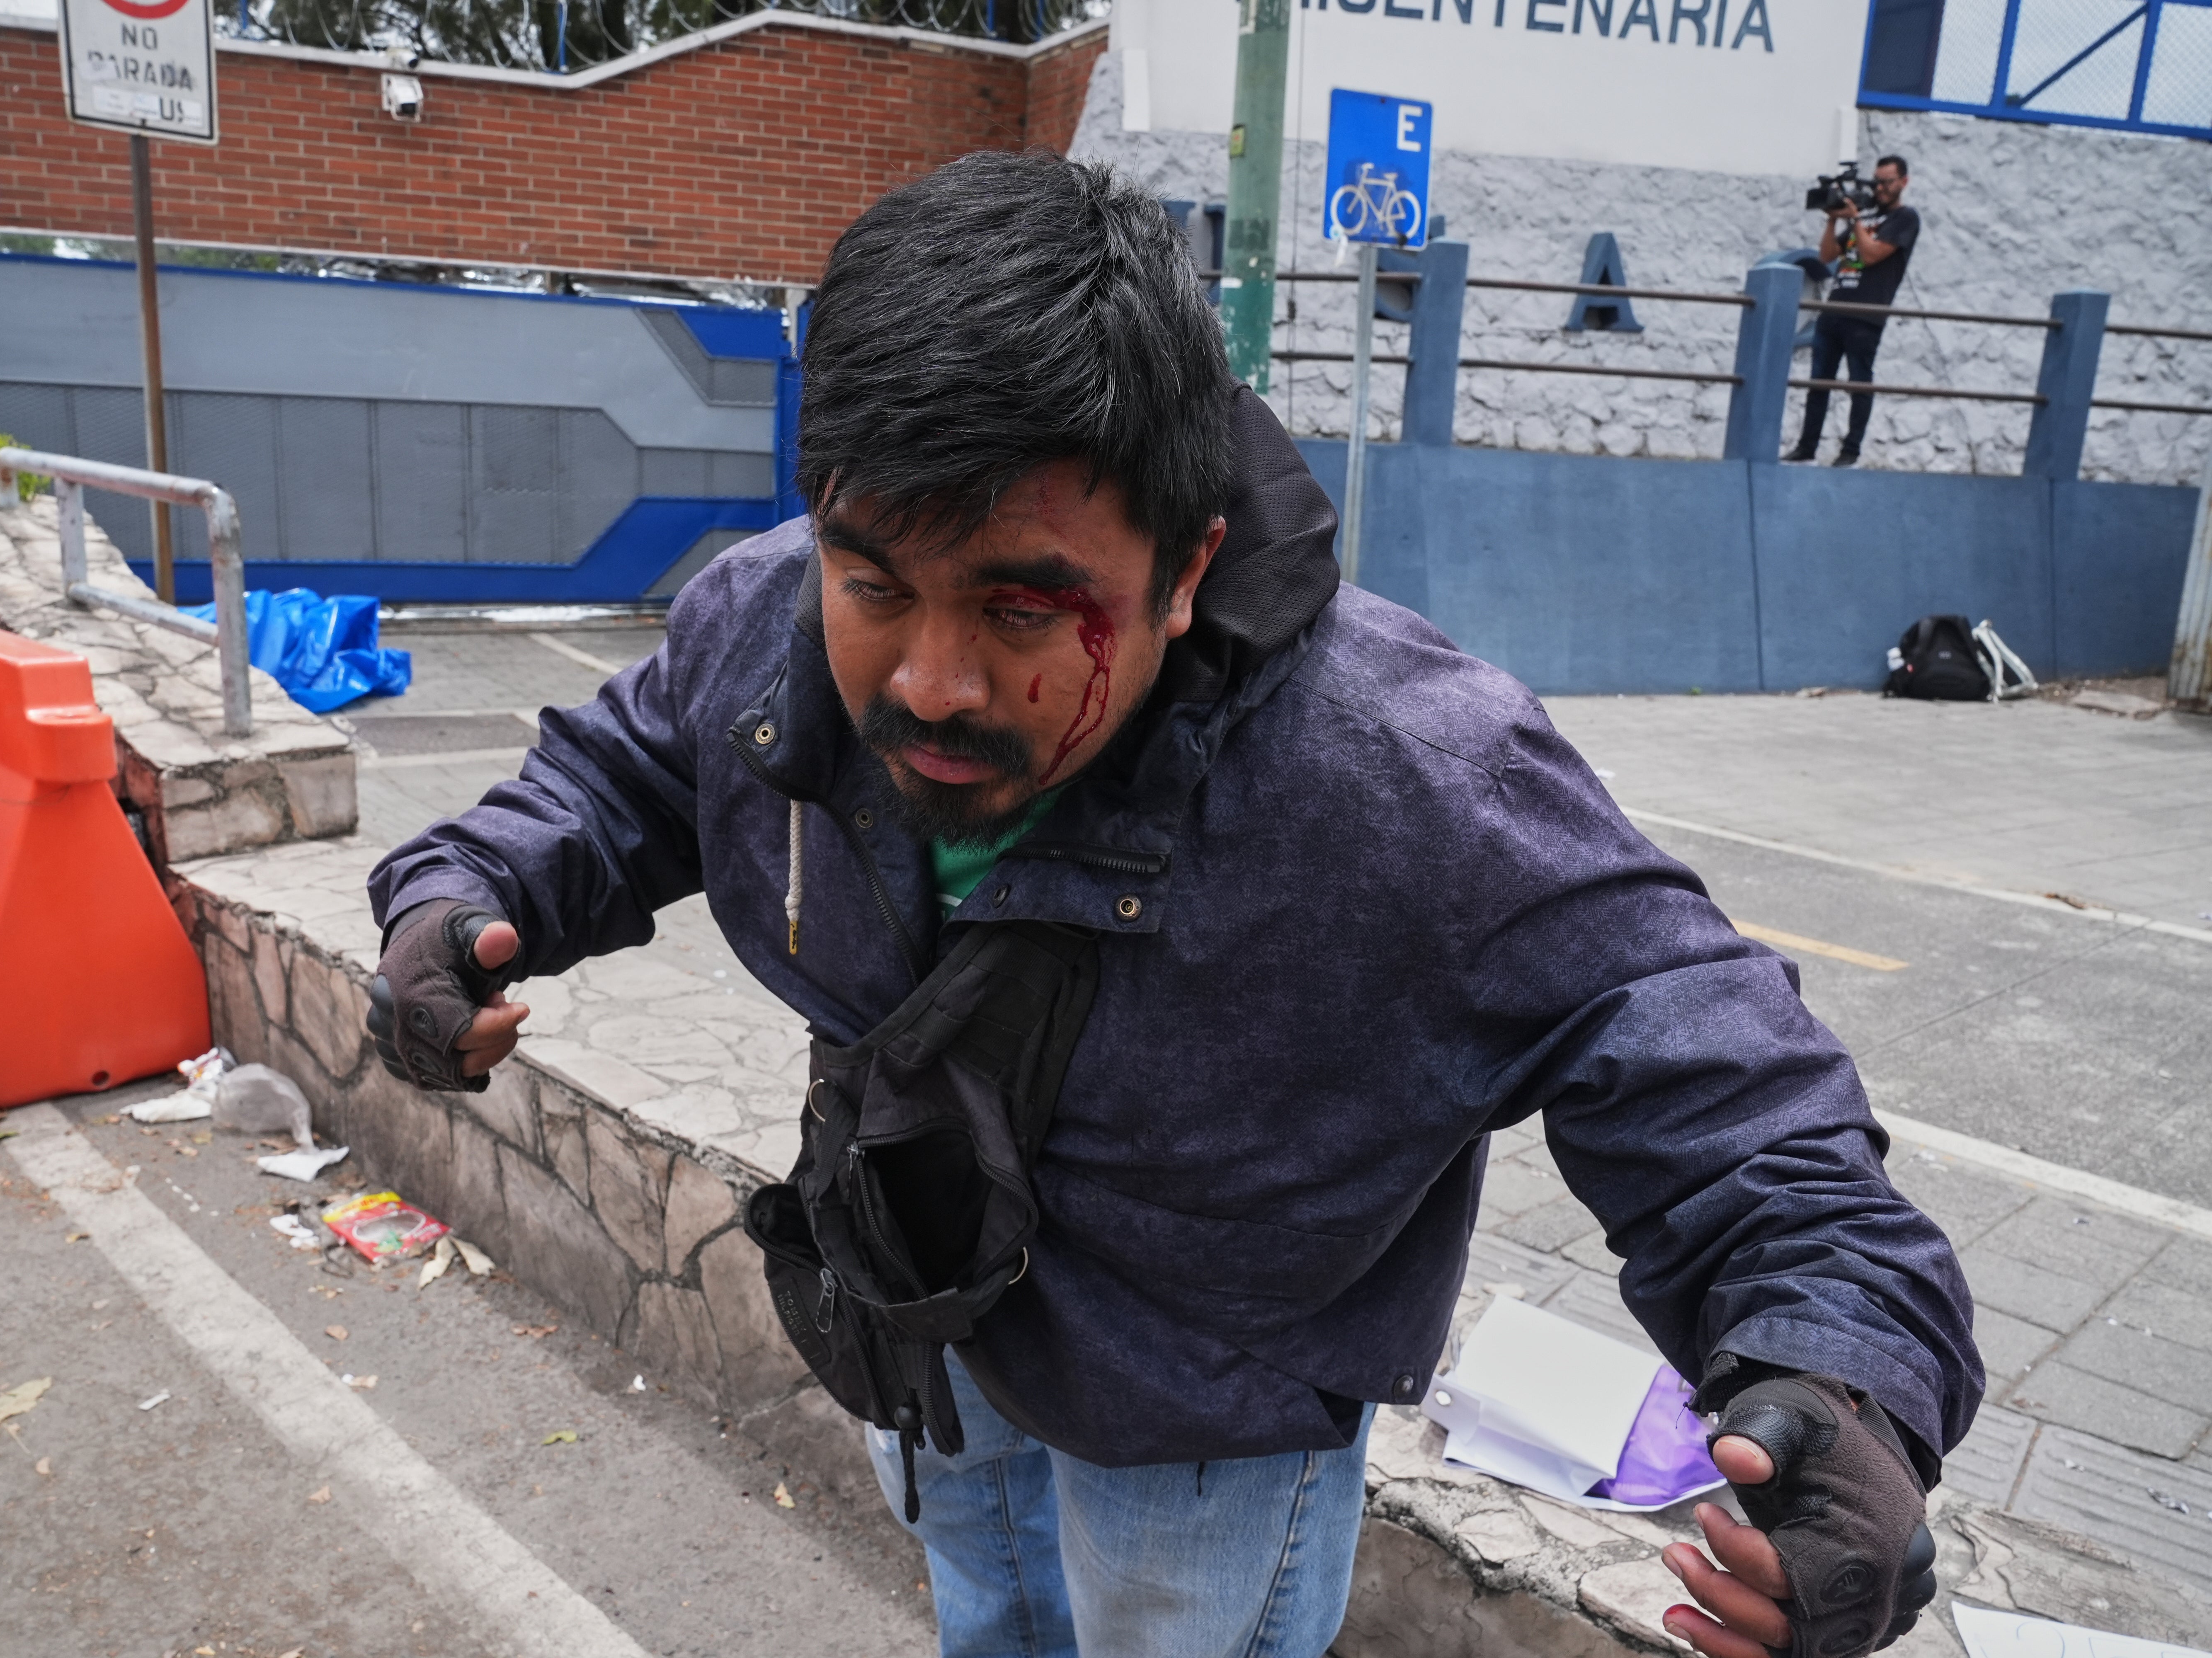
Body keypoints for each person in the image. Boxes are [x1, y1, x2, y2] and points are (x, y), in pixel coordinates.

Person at [365, 152, 1979, 1658]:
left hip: (1203, 1428)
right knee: (986, 1610)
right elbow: (624, 773)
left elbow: (1707, 1056)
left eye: (1020, 605)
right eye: (876, 580)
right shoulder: (763, 613)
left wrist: (1848, 1374)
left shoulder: (1413, 772)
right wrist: (464, 894)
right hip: (919, 1305)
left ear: (1188, 566)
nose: (928, 679)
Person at [1790, 155, 1922, 467]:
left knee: (1859, 384)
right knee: (1818, 383)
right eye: (1878, 182)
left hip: (1866, 314)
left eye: (1888, 182)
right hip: (1835, 310)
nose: (1881, 189)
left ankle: (1851, 451)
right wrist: (1833, 218)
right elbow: (1826, 256)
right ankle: (1806, 448)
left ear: (1904, 182)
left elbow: (1873, 254)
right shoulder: (1865, 218)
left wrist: (1855, 220)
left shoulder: (1905, 218)